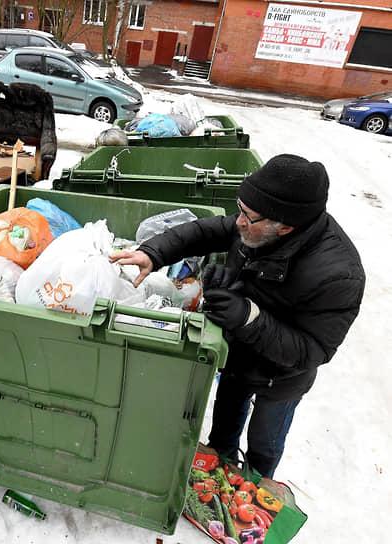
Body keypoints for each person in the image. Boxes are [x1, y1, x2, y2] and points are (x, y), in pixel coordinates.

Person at [109, 154, 365, 478]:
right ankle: (217, 476)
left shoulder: (338, 275)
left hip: (281, 377)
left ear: (285, 226)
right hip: (238, 357)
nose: (238, 221)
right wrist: (153, 252)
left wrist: (248, 317)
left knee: (265, 443)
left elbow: (313, 350)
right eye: (239, 208)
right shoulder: (259, 222)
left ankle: (255, 489)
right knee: (224, 429)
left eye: (248, 216)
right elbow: (205, 231)